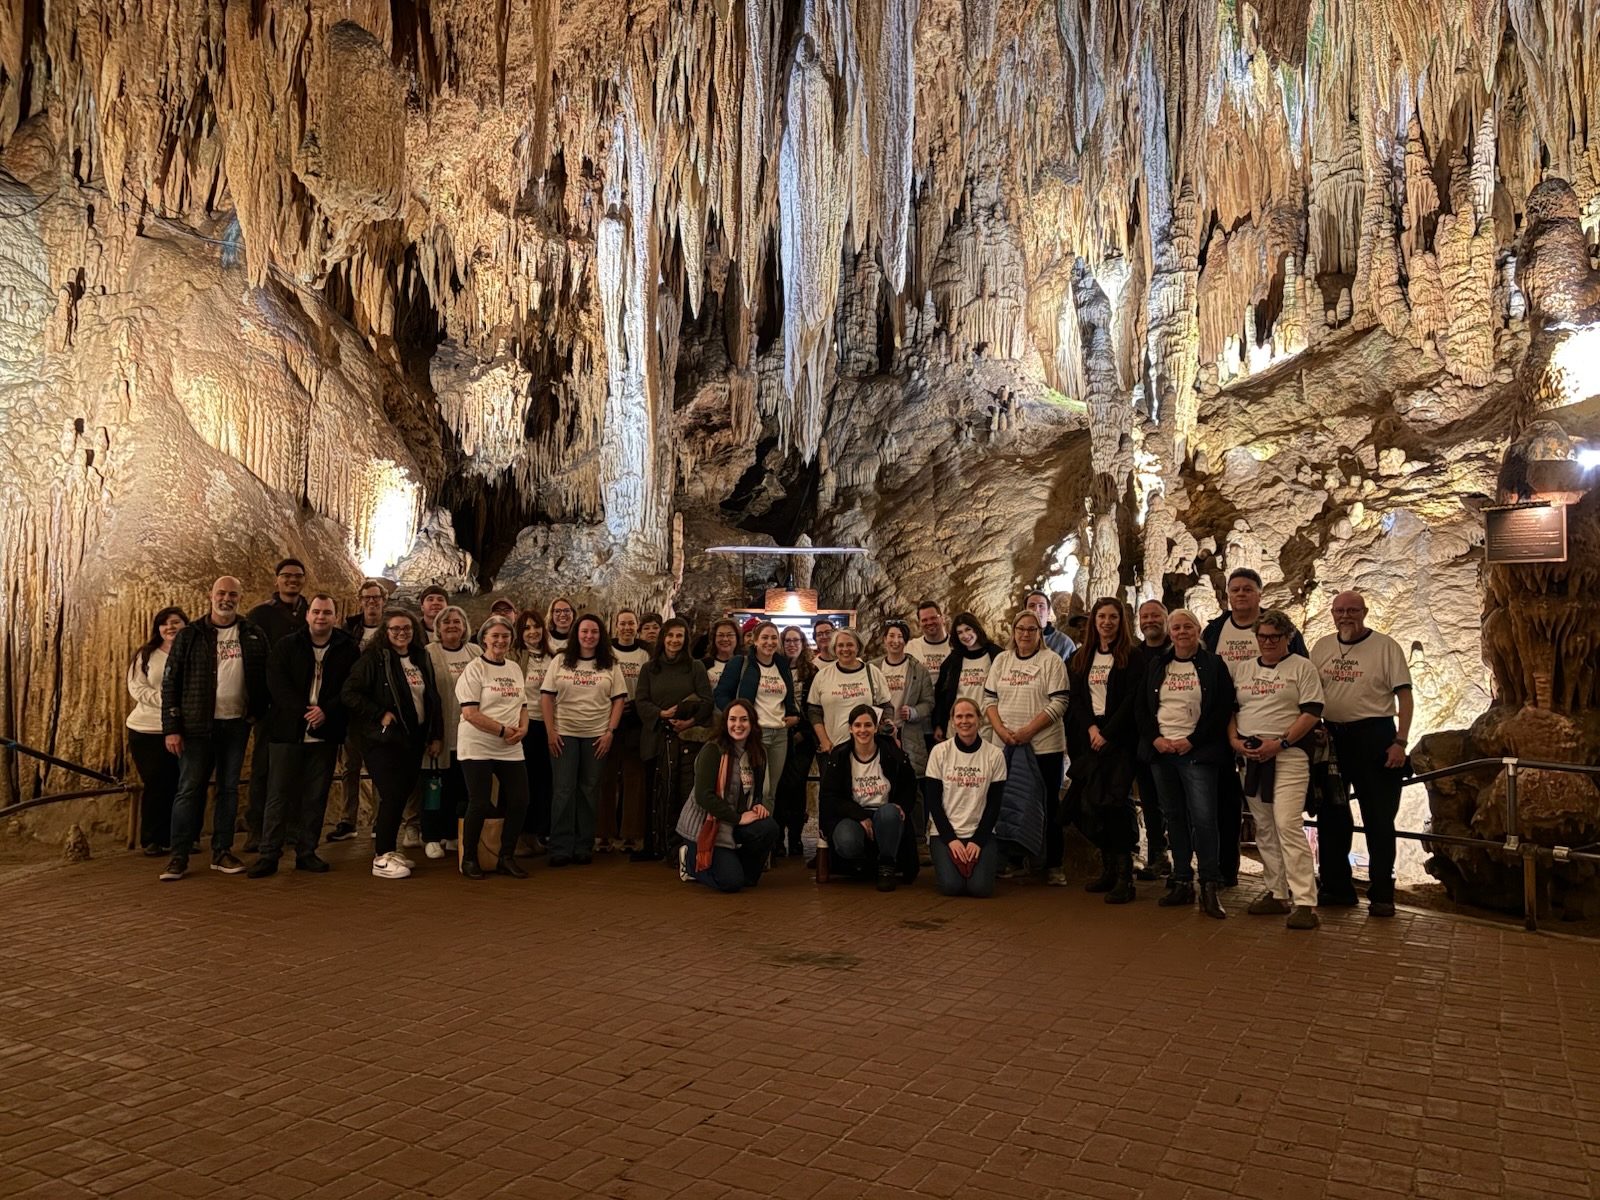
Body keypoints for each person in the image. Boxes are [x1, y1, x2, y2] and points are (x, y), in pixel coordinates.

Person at [1201, 567, 1309, 887]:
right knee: (1224, 800)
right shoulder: (1215, 630)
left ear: (1260, 593)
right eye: (1235, 589)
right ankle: (1226, 870)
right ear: (1227, 595)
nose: (1241, 594)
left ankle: (1293, 887)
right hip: (1226, 725)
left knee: (1280, 817)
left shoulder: (1279, 628)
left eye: (1247, 589)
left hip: (1274, 732)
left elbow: (1301, 672)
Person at [158, 577, 271, 881]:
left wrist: (255, 714)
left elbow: (266, 677)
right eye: (221, 593)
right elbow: (171, 682)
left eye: (232, 594)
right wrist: (172, 727)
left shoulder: (252, 634)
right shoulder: (190, 635)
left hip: (235, 724)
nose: (226, 599)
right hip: (196, 727)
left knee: (229, 789)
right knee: (189, 789)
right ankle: (179, 855)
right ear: (211, 596)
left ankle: (222, 851)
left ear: (239, 598)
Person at [1311, 590, 1414, 918]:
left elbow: (1405, 696)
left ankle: (1382, 892)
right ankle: (1336, 886)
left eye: (1353, 610)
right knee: (1331, 814)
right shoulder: (1322, 647)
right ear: (1332, 613)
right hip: (1333, 738)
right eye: (1340, 610)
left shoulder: (1386, 647)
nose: (1346, 616)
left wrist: (1400, 741)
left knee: (1378, 817)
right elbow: (1312, 692)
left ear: (1365, 612)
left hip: (1375, 737)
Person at [250, 595, 359, 877]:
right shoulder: (288, 645)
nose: (321, 617)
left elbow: (351, 685)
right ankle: (269, 854)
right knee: (278, 795)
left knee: (315, 795)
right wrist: (304, 711)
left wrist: (326, 711)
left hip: (326, 732)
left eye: (327, 612)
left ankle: (307, 851)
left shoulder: (347, 648)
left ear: (335, 617)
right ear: (308, 615)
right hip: (287, 730)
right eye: (316, 612)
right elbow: (276, 683)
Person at [1137, 608, 1236, 918]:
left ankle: (1209, 884)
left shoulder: (1213, 665)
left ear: (1197, 630)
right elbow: (1142, 707)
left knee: (1204, 819)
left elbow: (1222, 709)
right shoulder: (1158, 664)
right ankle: (1181, 879)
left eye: (1187, 626)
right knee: (1174, 816)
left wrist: (1193, 740)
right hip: (1163, 752)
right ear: (1170, 633)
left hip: (1198, 753)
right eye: (1176, 627)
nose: (1182, 632)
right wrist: (1155, 739)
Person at [1230, 608, 1326, 929]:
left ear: (1288, 637)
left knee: (1287, 824)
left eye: (1275, 637)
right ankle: (1277, 892)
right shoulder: (1244, 669)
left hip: (1288, 756)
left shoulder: (1301, 667)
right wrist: (1234, 741)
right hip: (1252, 757)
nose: (1268, 642)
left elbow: (1311, 712)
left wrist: (1280, 743)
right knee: (1265, 827)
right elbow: (1233, 710)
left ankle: (1306, 902)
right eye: (1262, 636)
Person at [340, 609, 443, 879]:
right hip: (382, 740)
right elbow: (349, 692)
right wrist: (379, 713)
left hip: (412, 738)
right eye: (395, 629)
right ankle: (382, 857)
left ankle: (390, 850)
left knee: (402, 794)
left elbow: (432, 697)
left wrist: (435, 735)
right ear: (385, 632)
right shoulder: (374, 659)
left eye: (406, 628)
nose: (401, 633)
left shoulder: (420, 657)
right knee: (393, 794)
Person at [1065, 599, 1142, 901]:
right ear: (1094, 621)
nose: (1107, 622)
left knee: (1115, 805)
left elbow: (1132, 699)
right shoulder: (1081, 657)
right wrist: (1091, 729)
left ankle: (1124, 877)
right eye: (1102, 616)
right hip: (1090, 738)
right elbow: (1076, 698)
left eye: (1113, 617)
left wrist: (1108, 732)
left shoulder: (1132, 657)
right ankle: (1108, 868)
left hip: (1119, 740)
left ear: (1121, 622)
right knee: (1087, 806)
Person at [984, 610, 1070, 876]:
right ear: (1013, 631)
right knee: (1009, 802)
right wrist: (1001, 730)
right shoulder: (1002, 660)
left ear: (1040, 633)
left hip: (1043, 746)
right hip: (1006, 744)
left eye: (1032, 629)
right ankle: (1013, 858)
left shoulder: (1051, 661)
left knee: (1046, 803)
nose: (1025, 634)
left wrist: (1029, 731)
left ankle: (1052, 864)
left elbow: (1060, 702)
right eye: (1020, 628)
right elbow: (989, 700)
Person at [541, 613, 627, 866]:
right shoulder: (560, 660)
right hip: (564, 734)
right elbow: (546, 696)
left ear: (601, 636)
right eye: (585, 631)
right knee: (563, 790)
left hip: (596, 736)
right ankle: (560, 847)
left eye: (594, 632)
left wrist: (610, 732)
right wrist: (550, 731)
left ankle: (583, 845)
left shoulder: (610, 663)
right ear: (576, 634)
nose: (589, 636)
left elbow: (619, 699)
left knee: (589, 790)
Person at [675, 699, 780, 892]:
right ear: (725, 723)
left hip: (734, 819)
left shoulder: (758, 752)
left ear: (752, 723)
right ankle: (690, 863)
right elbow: (704, 796)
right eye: (733, 719)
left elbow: (756, 791)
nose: (738, 725)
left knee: (768, 828)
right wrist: (737, 818)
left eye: (744, 719)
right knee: (730, 883)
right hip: (706, 824)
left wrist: (757, 804)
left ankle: (742, 872)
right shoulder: (713, 750)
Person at [455, 615, 531, 879]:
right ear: (484, 638)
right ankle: (470, 858)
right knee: (479, 801)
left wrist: (523, 728)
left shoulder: (514, 668)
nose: (500, 640)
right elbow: (470, 713)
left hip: (510, 744)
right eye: (495, 635)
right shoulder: (474, 669)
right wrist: (501, 730)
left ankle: (505, 857)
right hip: (478, 743)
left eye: (505, 636)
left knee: (520, 799)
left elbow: (522, 705)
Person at [243, 559, 310, 851]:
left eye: (297, 576)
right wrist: (255, 703)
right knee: (263, 767)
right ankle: (257, 829)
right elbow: (251, 661)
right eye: (286, 576)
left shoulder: (312, 612)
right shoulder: (260, 615)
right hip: (269, 704)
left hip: (303, 704)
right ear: (277, 580)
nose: (292, 580)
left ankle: (292, 827)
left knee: (298, 768)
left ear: (304, 580)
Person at [635, 618, 713, 861]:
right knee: (655, 794)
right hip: (656, 737)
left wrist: (689, 722)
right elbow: (641, 701)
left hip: (685, 741)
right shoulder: (649, 668)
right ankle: (655, 845)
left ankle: (679, 848)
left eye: (679, 636)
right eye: (670, 635)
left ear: (685, 639)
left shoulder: (695, 667)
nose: (674, 640)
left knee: (683, 792)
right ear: (663, 638)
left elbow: (707, 701)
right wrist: (661, 714)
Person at [819, 705, 918, 891]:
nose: (862, 730)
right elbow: (829, 797)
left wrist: (903, 806)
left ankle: (886, 865)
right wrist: (860, 815)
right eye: (857, 725)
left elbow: (910, 786)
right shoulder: (840, 756)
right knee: (847, 841)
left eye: (868, 725)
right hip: (853, 815)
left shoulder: (892, 752)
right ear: (850, 728)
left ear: (875, 727)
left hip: (885, 814)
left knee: (890, 813)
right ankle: (865, 863)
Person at [713, 621, 801, 815]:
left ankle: (764, 831)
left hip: (780, 735)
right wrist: (736, 718)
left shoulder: (782, 665)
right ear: (755, 640)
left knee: (771, 793)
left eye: (773, 638)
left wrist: (794, 715)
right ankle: (748, 826)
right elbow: (720, 694)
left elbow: (787, 699)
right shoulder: (741, 663)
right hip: (755, 734)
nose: (769, 642)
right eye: (765, 637)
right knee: (760, 788)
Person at [923, 698, 1008, 898]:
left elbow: (994, 805)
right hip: (944, 834)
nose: (964, 721)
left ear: (979, 719)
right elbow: (933, 802)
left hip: (980, 833)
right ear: (952, 722)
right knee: (952, 887)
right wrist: (951, 840)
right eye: (959, 716)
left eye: (969, 716)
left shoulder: (995, 755)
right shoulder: (939, 752)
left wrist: (978, 840)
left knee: (980, 889)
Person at [126, 607, 188, 856]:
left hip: (184, 728)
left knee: (182, 784)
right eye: (164, 623)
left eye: (176, 622)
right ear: (158, 628)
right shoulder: (146, 655)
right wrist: (169, 700)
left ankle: (181, 837)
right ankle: (153, 838)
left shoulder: (193, 652)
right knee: (156, 783)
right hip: (147, 728)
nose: (170, 627)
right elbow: (137, 688)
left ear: (185, 625)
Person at [423, 606, 482, 859]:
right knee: (435, 787)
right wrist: (432, 736)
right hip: (440, 733)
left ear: (465, 626)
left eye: (457, 621)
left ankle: (452, 834)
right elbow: (425, 696)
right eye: (446, 622)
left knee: (461, 787)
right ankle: (431, 836)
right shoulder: (428, 653)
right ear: (437, 627)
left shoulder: (475, 652)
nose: (451, 626)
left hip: (470, 734)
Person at [331, 579, 387, 842]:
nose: (371, 602)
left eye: (376, 597)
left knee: (378, 766)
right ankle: (347, 820)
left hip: (380, 708)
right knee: (350, 766)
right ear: (360, 601)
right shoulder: (349, 629)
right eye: (367, 598)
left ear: (383, 600)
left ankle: (379, 820)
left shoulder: (391, 628)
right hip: (353, 707)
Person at [600, 609, 651, 851]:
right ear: (616, 626)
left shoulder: (645, 653)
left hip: (636, 721)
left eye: (631, 623)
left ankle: (631, 833)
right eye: (623, 624)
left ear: (636, 626)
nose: (627, 628)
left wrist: (638, 706)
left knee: (633, 779)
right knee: (606, 778)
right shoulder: (607, 651)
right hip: (608, 718)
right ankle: (604, 833)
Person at [1131, 599, 1173, 880]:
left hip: (1176, 737)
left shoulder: (1177, 650)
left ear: (1165, 618)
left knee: (1174, 803)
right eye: (1145, 616)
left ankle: (1181, 861)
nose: (1149, 621)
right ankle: (1158, 856)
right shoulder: (1135, 655)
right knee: (1149, 800)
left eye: (1155, 615)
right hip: (1145, 739)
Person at [807, 628, 893, 762]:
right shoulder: (823, 676)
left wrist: (888, 723)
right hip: (833, 750)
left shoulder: (872, 672)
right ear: (834, 648)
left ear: (858, 647)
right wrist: (824, 741)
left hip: (869, 750)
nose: (845, 649)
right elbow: (814, 711)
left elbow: (886, 705)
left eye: (850, 645)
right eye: (840, 645)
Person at [513, 607, 555, 854]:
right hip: (524, 725)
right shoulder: (515, 656)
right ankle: (518, 836)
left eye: (536, 626)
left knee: (544, 783)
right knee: (523, 783)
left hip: (548, 725)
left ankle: (536, 834)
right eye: (526, 628)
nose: (532, 631)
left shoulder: (553, 656)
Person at [775, 626, 819, 858]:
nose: (791, 645)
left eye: (796, 640)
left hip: (803, 738)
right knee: (779, 787)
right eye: (787, 640)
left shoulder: (811, 672)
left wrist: (802, 726)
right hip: (778, 736)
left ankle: (795, 838)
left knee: (796, 785)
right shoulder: (775, 669)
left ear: (803, 644)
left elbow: (815, 706)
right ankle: (777, 840)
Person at [873, 621, 933, 776]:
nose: (895, 640)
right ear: (885, 639)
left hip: (908, 733)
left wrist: (914, 712)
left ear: (906, 641)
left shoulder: (919, 670)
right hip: (880, 732)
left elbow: (928, 702)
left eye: (900, 637)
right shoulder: (872, 668)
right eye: (891, 636)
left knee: (909, 778)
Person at [933, 613, 1000, 740]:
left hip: (986, 726)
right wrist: (939, 724)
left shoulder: (995, 654)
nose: (965, 635)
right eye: (960, 632)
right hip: (957, 726)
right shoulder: (953, 660)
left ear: (976, 628)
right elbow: (941, 694)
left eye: (968, 629)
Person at [906, 601, 952, 688]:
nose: (929, 622)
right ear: (919, 624)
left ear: (942, 619)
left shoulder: (956, 645)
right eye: (924, 620)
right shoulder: (910, 647)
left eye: (933, 618)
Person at [1025, 591, 1078, 662]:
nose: (1036, 610)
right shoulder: (1018, 640)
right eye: (1032, 605)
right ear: (1025, 611)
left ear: (1048, 611)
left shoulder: (1065, 644)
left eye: (1041, 606)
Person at [702, 618, 741, 693]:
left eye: (730, 635)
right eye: (720, 635)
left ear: (737, 638)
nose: (725, 639)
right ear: (714, 639)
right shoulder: (703, 665)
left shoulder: (745, 664)